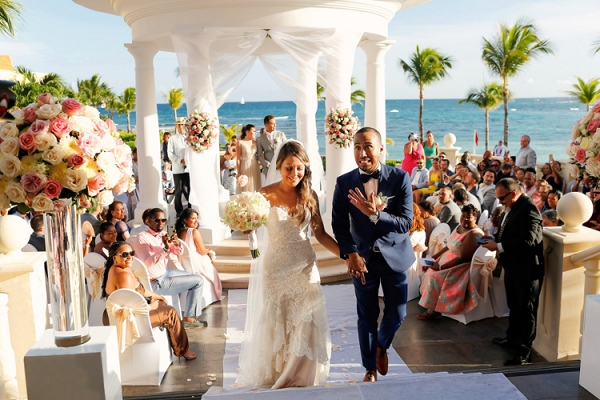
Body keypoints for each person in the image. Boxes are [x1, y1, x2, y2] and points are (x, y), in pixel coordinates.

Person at [237, 140, 338, 389]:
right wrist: (245, 226)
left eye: (299, 168)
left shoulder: (310, 194)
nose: (295, 174)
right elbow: (250, 226)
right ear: (279, 166)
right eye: (289, 168)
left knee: (307, 316)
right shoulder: (264, 195)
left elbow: (321, 234)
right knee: (278, 317)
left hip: (304, 265)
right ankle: (279, 373)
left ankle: (300, 375)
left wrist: (347, 255)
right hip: (277, 265)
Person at [332, 127, 414, 383]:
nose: (362, 152)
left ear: (380, 149)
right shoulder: (344, 182)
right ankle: (369, 368)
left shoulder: (400, 179)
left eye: (367, 146)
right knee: (366, 315)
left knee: (398, 313)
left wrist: (376, 214)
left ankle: (381, 346)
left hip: (395, 257)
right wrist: (351, 253)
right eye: (357, 146)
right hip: (363, 261)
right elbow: (339, 226)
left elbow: (406, 223)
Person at [482, 178, 544, 366]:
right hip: (513, 268)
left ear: (514, 193)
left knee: (526, 311)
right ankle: (512, 338)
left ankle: (524, 352)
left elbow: (529, 241)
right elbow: (509, 233)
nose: (500, 202)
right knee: (514, 307)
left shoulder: (529, 209)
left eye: (502, 199)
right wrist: (492, 239)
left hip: (526, 270)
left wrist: (499, 246)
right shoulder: (512, 207)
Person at [101, 241, 196, 361]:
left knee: (162, 304)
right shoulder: (123, 276)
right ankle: (183, 350)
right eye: (125, 255)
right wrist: (151, 306)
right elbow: (131, 307)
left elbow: (139, 290)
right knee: (170, 312)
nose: (130, 257)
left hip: (110, 316)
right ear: (115, 258)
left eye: (132, 253)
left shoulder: (117, 269)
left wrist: (158, 296)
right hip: (130, 321)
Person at [129, 208, 207, 328]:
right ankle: (189, 318)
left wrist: (176, 244)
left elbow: (178, 253)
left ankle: (188, 313)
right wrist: (165, 249)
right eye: (157, 220)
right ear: (148, 221)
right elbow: (147, 263)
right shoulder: (142, 238)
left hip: (164, 274)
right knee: (198, 281)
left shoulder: (162, 234)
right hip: (155, 282)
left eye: (163, 220)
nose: (160, 223)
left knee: (195, 276)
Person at [417, 204, 484, 320]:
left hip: (459, 265)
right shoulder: (459, 227)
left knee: (434, 276)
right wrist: (434, 258)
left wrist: (441, 267)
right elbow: (448, 246)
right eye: (463, 216)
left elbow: (462, 257)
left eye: (468, 217)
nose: (465, 220)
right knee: (428, 269)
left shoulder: (474, 234)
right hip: (446, 259)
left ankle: (433, 309)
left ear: (475, 217)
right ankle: (431, 303)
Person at [175, 209, 223, 302]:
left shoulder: (179, 232)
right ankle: (216, 293)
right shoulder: (194, 232)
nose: (196, 221)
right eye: (193, 218)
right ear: (185, 220)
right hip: (194, 262)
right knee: (210, 264)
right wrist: (208, 251)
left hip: (184, 262)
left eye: (197, 218)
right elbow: (202, 251)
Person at [168, 117, 191, 216]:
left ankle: (190, 209)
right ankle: (179, 211)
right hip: (178, 169)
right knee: (178, 190)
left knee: (189, 190)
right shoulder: (173, 138)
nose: (180, 126)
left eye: (182, 124)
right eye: (178, 124)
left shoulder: (189, 138)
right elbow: (170, 153)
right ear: (176, 126)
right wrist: (180, 160)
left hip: (189, 169)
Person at [237, 124, 262, 192]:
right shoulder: (240, 142)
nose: (255, 133)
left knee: (255, 185)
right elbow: (238, 159)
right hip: (245, 166)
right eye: (254, 131)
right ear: (247, 132)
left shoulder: (255, 142)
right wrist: (238, 172)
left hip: (255, 166)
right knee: (246, 186)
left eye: (255, 131)